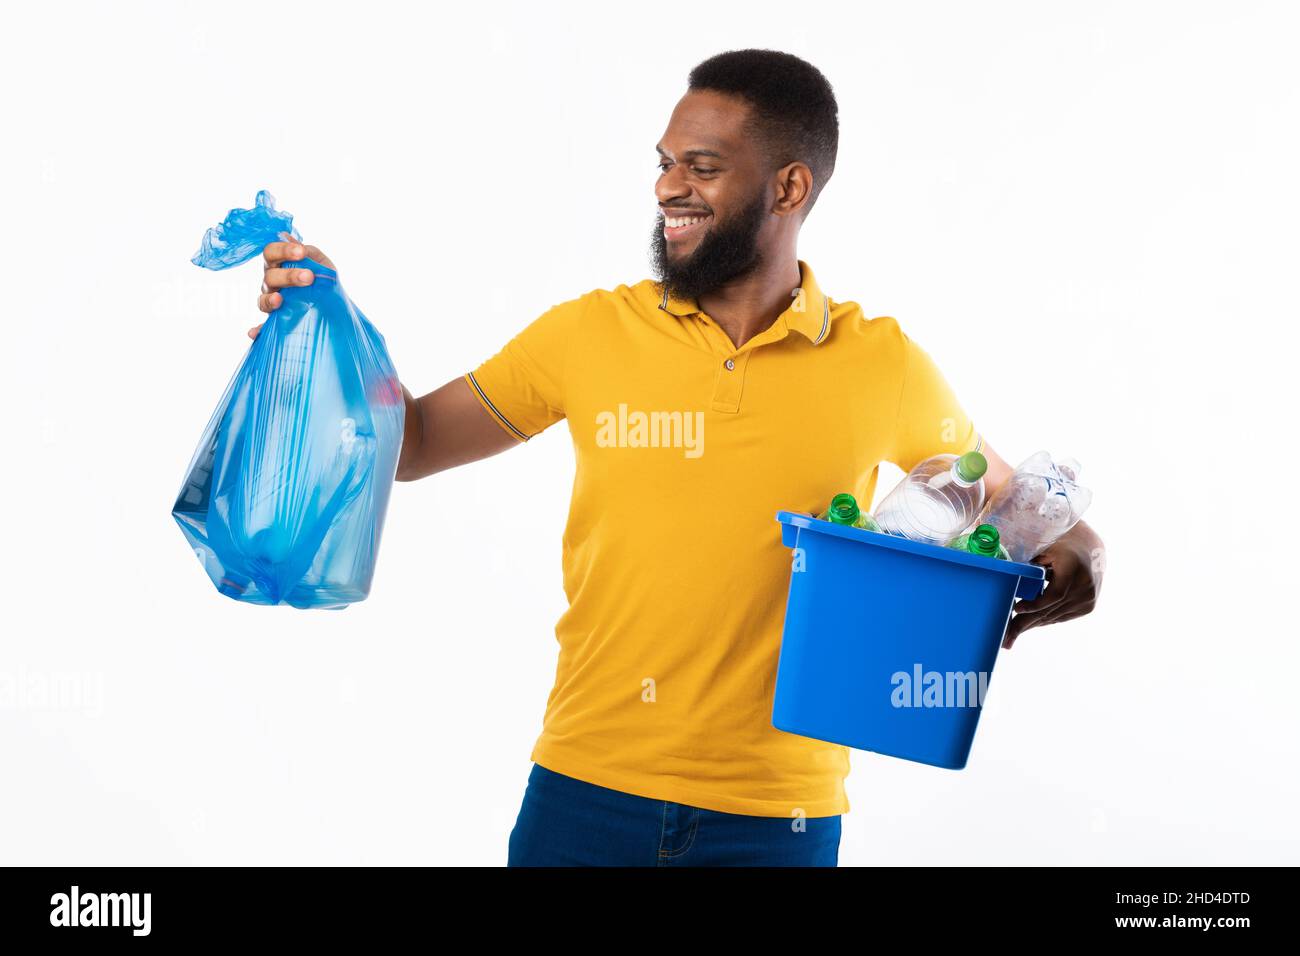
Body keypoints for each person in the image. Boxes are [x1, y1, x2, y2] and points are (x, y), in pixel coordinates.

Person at [250, 49, 1105, 866]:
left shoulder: (882, 364)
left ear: (789, 186)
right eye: (663, 163)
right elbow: (414, 447)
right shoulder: (587, 333)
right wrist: (321, 333)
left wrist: (1084, 559)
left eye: (699, 166)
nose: (668, 187)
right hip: (584, 792)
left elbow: (1025, 508)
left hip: (781, 815)